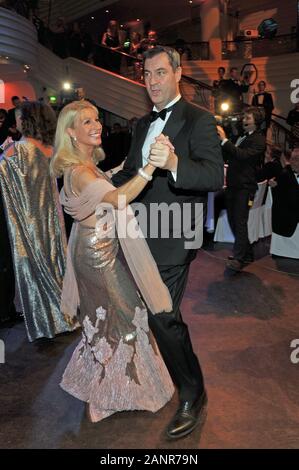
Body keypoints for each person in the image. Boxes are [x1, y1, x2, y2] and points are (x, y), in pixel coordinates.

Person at [112, 45, 223, 439]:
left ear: (177, 73)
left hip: (174, 235)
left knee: (163, 316)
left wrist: (175, 163)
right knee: (152, 315)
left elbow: (213, 178)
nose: (152, 81)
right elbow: (129, 172)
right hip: (137, 233)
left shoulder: (199, 120)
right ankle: (160, 378)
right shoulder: (142, 124)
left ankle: (192, 393)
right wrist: (95, 183)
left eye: (160, 72)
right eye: (146, 74)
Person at [51, 100, 174, 423]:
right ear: (71, 133)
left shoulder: (86, 165)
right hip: (96, 257)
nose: (96, 126)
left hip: (101, 249)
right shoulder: (77, 171)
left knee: (117, 318)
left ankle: (110, 385)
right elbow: (118, 197)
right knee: (121, 318)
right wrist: (150, 167)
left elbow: (108, 183)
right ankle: (105, 396)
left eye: (96, 119)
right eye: (86, 122)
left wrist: (132, 164)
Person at [0, 101, 74, 342]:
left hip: (29, 223)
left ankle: (47, 321)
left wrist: (3, 153)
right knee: (55, 264)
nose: (16, 121)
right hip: (52, 221)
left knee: (34, 268)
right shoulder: (50, 148)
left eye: (20, 117)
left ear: (28, 120)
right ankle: (66, 314)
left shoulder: (17, 150)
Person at [217, 106, 266, 272]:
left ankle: (238, 258)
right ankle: (247, 252)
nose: (244, 120)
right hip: (233, 185)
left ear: (256, 122)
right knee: (233, 220)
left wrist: (224, 141)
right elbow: (232, 155)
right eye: (244, 117)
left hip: (244, 187)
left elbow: (242, 155)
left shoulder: (259, 140)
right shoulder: (241, 136)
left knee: (239, 221)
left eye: (248, 118)